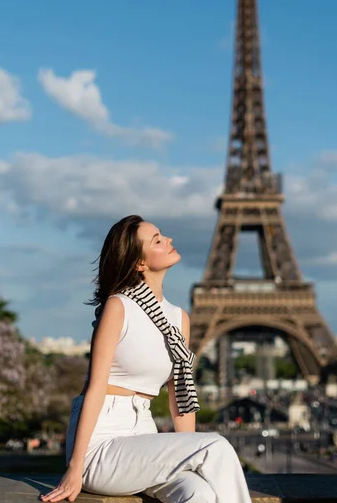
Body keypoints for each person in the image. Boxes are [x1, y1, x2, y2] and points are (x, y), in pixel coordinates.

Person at [41, 215, 252, 503]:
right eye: (157, 240)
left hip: (144, 437)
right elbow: (94, 389)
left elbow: (181, 397)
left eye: (162, 235)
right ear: (140, 263)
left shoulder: (179, 319)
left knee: (198, 492)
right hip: (101, 444)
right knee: (216, 446)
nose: (168, 240)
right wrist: (75, 468)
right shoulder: (119, 307)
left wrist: (189, 450)